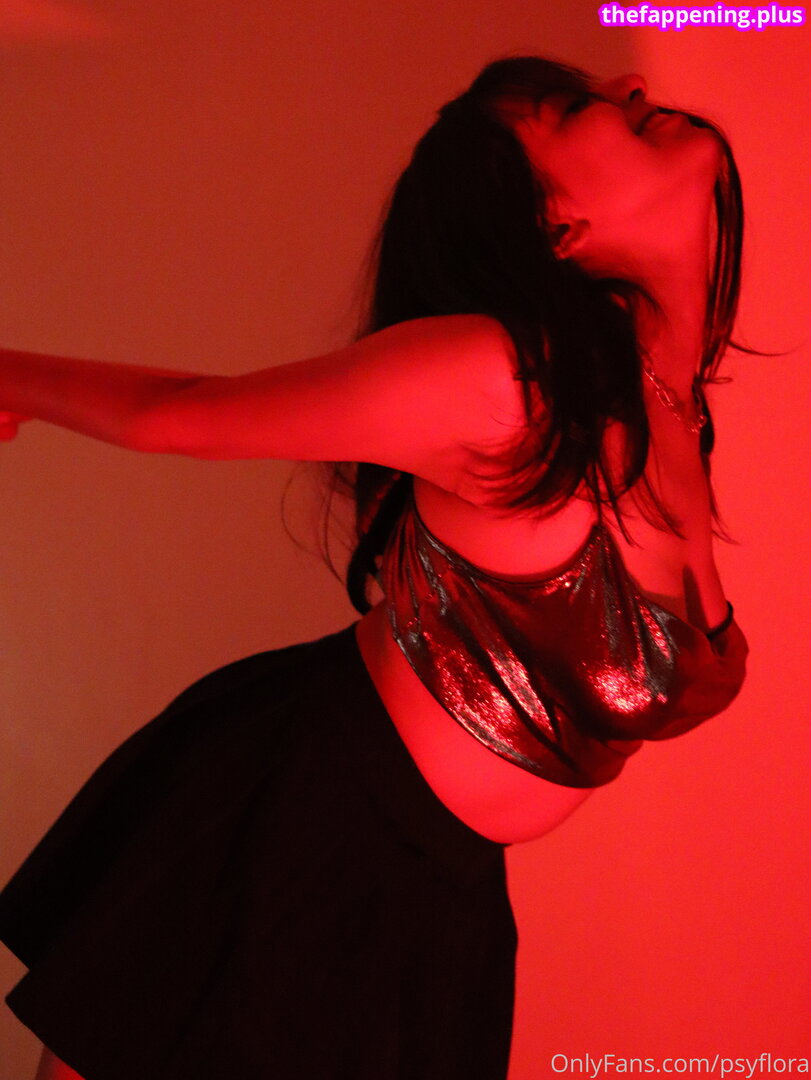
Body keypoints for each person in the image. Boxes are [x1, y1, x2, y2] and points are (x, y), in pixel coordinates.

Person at [0, 55, 749, 1080]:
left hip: (442, 896)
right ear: (557, 226)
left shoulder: (671, 409)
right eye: (578, 105)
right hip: (303, 826)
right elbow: (183, 413)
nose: (629, 82)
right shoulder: (509, 384)